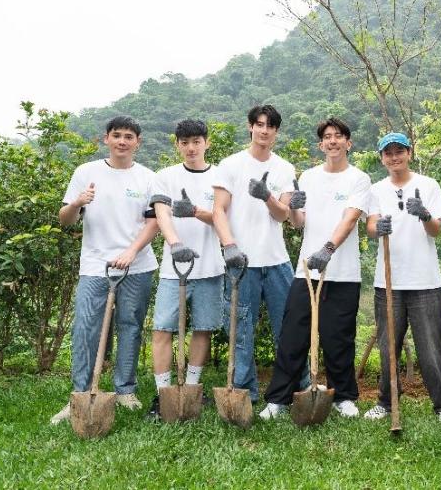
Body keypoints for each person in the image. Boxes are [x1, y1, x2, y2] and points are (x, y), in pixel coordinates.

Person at [260, 117, 371, 420]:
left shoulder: (358, 178)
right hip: (306, 272)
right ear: (321, 145)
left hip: (342, 272)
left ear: (348, 143)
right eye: (327, 137)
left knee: (339, 337)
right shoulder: (307, 177)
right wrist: (294, 206)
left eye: (339, 136)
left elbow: (350, 218)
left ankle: (344, 396)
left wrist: (328, 249)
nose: (333, 141)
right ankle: (278, 400)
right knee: (293, 335)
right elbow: (298, 223)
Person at [50, 116, 158, 424]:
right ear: (106, 139)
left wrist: (131, 252)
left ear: (138, 142)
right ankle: (79, 396)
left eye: (129, 136)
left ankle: (125, 390)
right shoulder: (86, 173)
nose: (122, 141)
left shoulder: (148, 178)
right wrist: (77, 203)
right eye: (117, 135)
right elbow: (65, 220)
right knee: (86, 328)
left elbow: (154, 223)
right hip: (96, 265)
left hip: (136, 265)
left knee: (131, 326)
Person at [363, 132, 441, 423]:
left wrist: (425, 215)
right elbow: (369, 226)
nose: (394, 157)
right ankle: (386, 401)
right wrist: (379, 228)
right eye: (388, 153)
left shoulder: (428, 185)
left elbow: (436, 230)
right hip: (388, 282)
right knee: (388, 345)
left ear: (409, 153)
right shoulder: (376, 189)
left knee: (431, 346)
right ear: (382, 158)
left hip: (424, 281)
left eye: (399, 151)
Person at [211, 105, 298, 403]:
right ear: (250, 127)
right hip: (240, 262)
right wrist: (229, 245)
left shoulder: (285, 168)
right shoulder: (231, 164)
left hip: (276, 261)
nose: (264, 130)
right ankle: (243, 393)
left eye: (270, 126)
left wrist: (267, 196)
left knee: (288, 328)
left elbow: (283, 215)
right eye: (259, 124)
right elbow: (218, 210)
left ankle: (293, 390)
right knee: (240, 328)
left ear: (276, 131)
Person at [144, 119, 224, 418]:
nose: (191, 148)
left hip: (210, 267)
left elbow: (223, 218)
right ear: (177, 144)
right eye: (184, 142)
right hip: (172, 269)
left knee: (203, 328)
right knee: (162, 328)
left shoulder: (220, 177)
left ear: (207, 143)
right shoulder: (164, 177)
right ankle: (163, 394)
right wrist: (175, 244)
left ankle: (192, 390)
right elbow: (162, 213)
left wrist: (196, 212)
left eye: (196, 141)